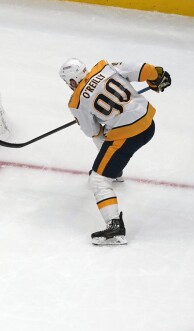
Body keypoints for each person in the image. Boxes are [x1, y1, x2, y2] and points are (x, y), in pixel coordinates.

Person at [59, 58, 171, 245]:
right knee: (111, 134)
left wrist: (89, 116)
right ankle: (114, 171)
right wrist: (156, 77)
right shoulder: (105, 67)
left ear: (71, 81)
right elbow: (141, 68)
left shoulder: (76, 101)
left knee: (98, 179)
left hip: (128, 135)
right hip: (148, 124)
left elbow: (92, 131)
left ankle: (115, 228)